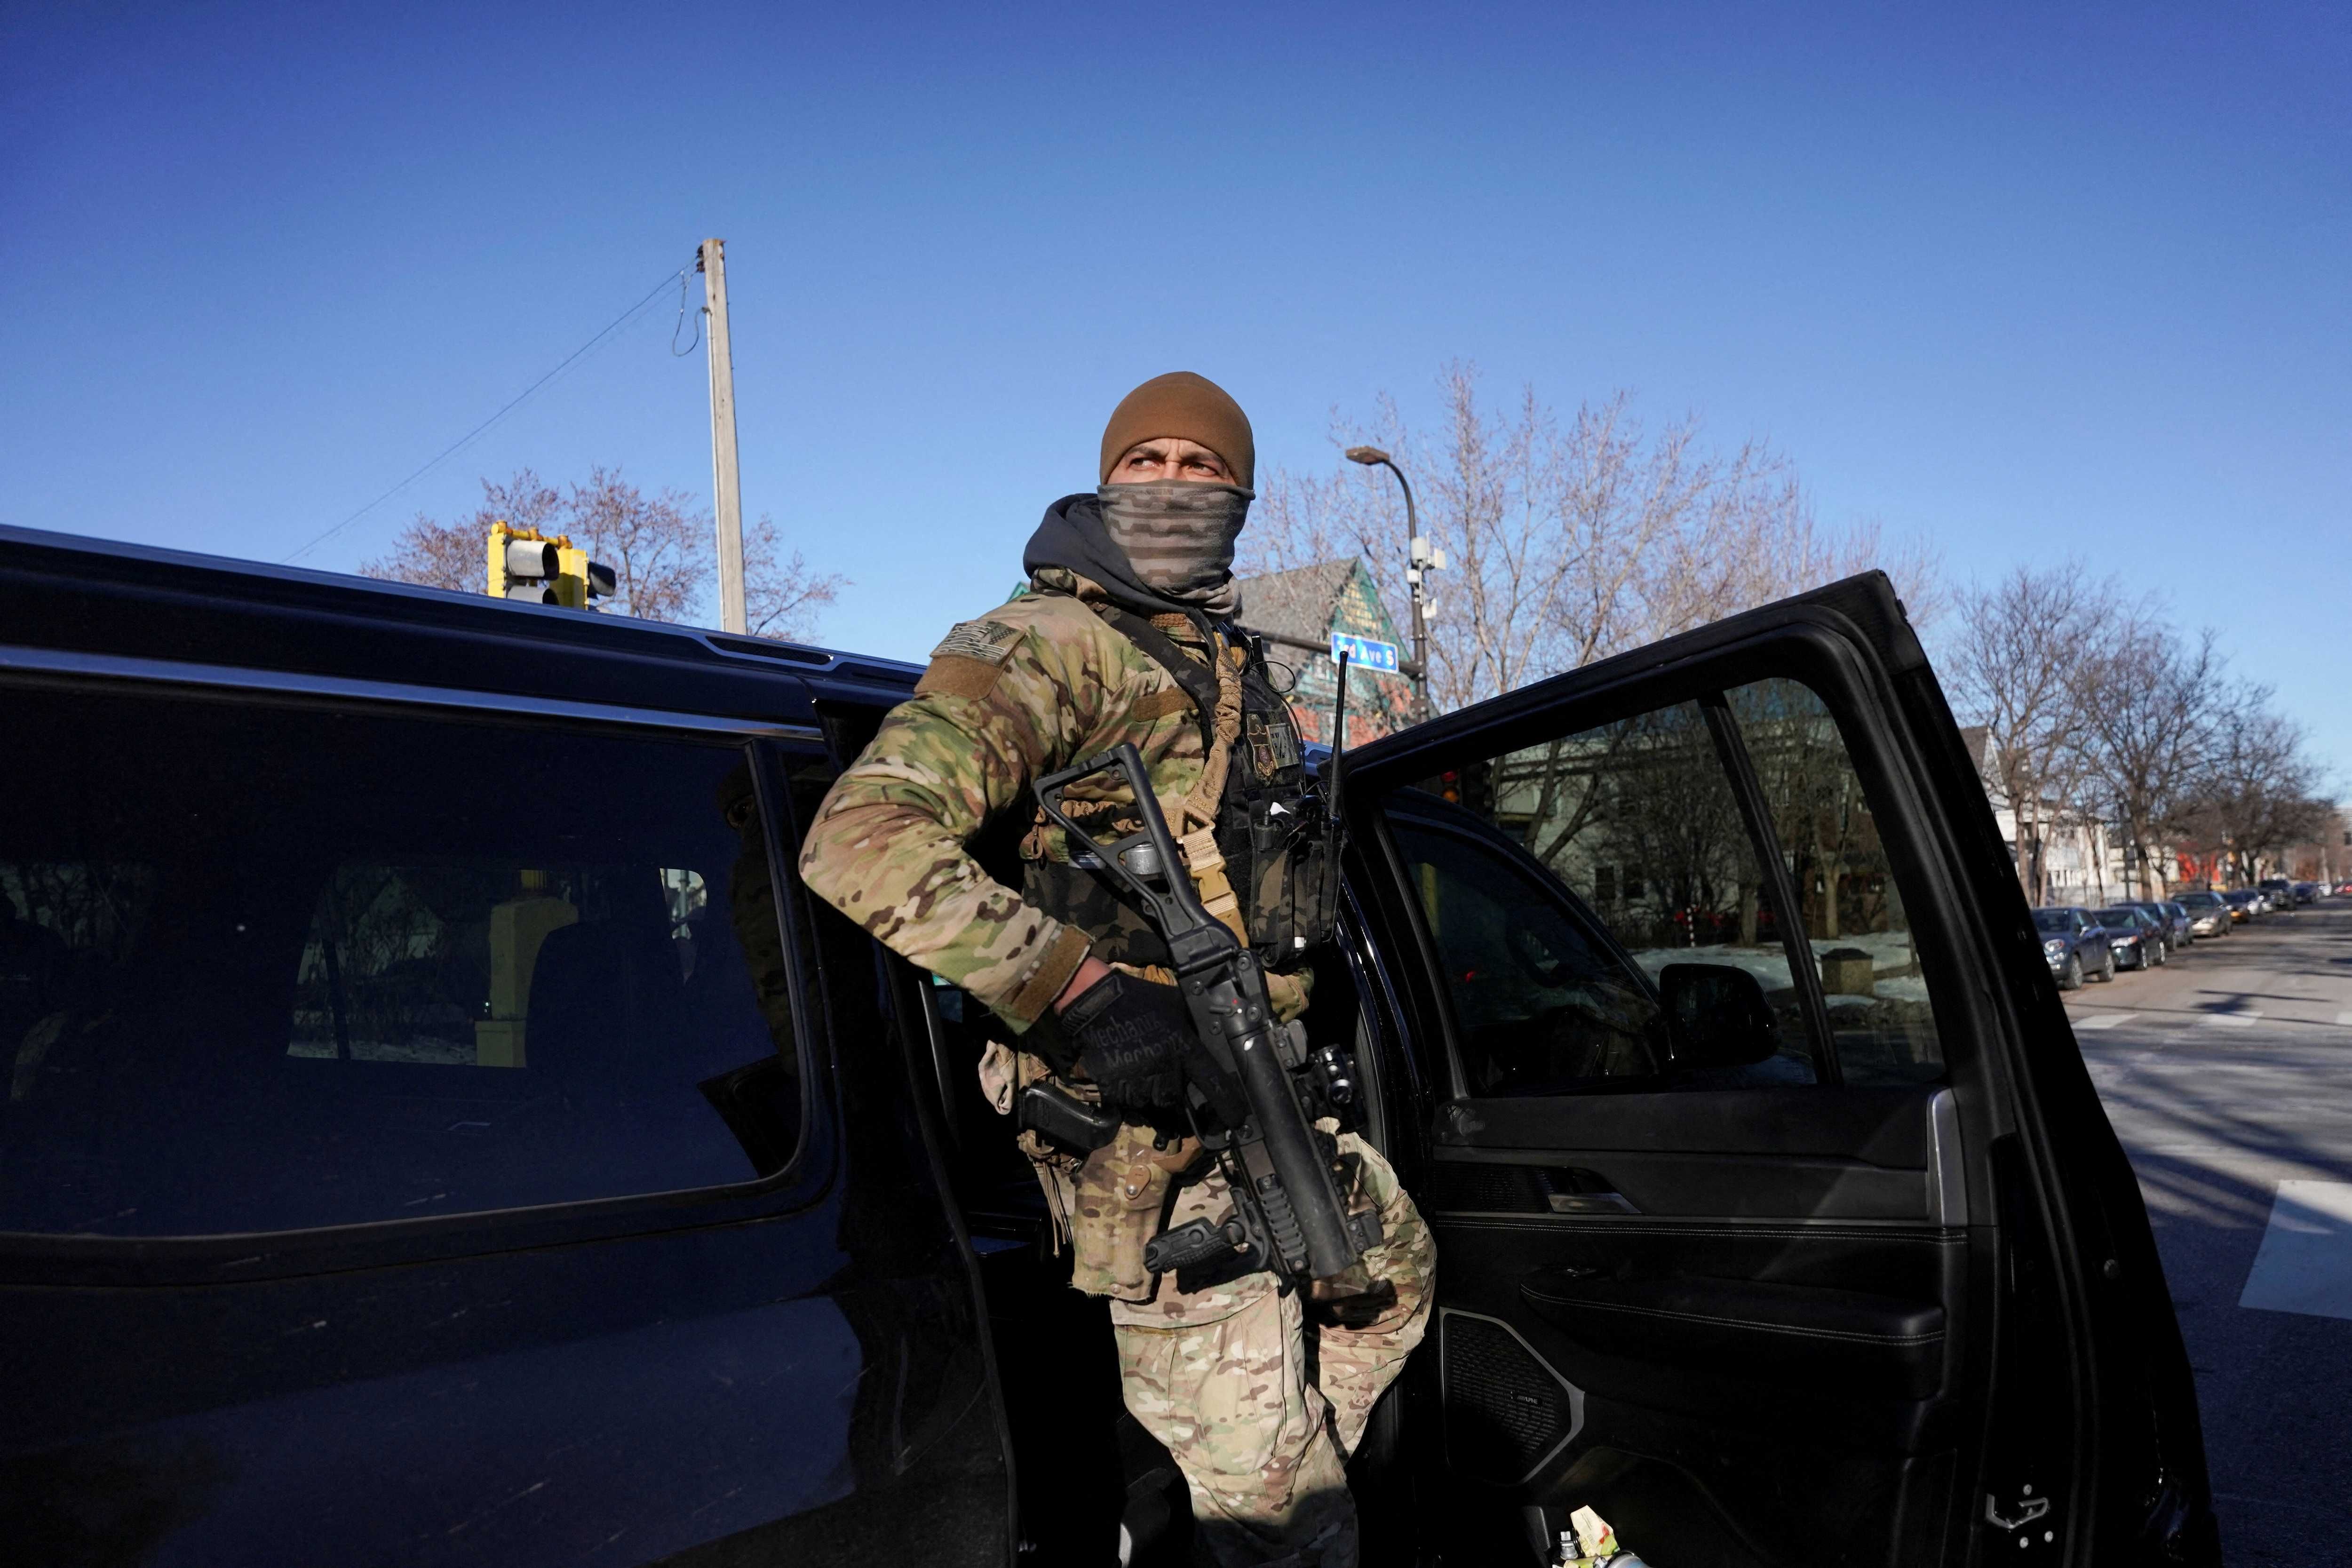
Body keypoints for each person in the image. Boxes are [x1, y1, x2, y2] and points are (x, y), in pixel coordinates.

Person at [799, 372, 1433, 1567]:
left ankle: (1260, 1466)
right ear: (1105, 480)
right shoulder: (1047, 643)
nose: (1173, 485)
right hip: (1151, 1143)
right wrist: (1083, 993)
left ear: (1242, 496)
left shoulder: (1226, 662)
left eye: (1204, 467)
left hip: (1262, 1097)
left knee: (1394, 1273)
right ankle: (1267, 1488)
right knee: (1291, 1529)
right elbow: (861, 837)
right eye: (1147, 462)